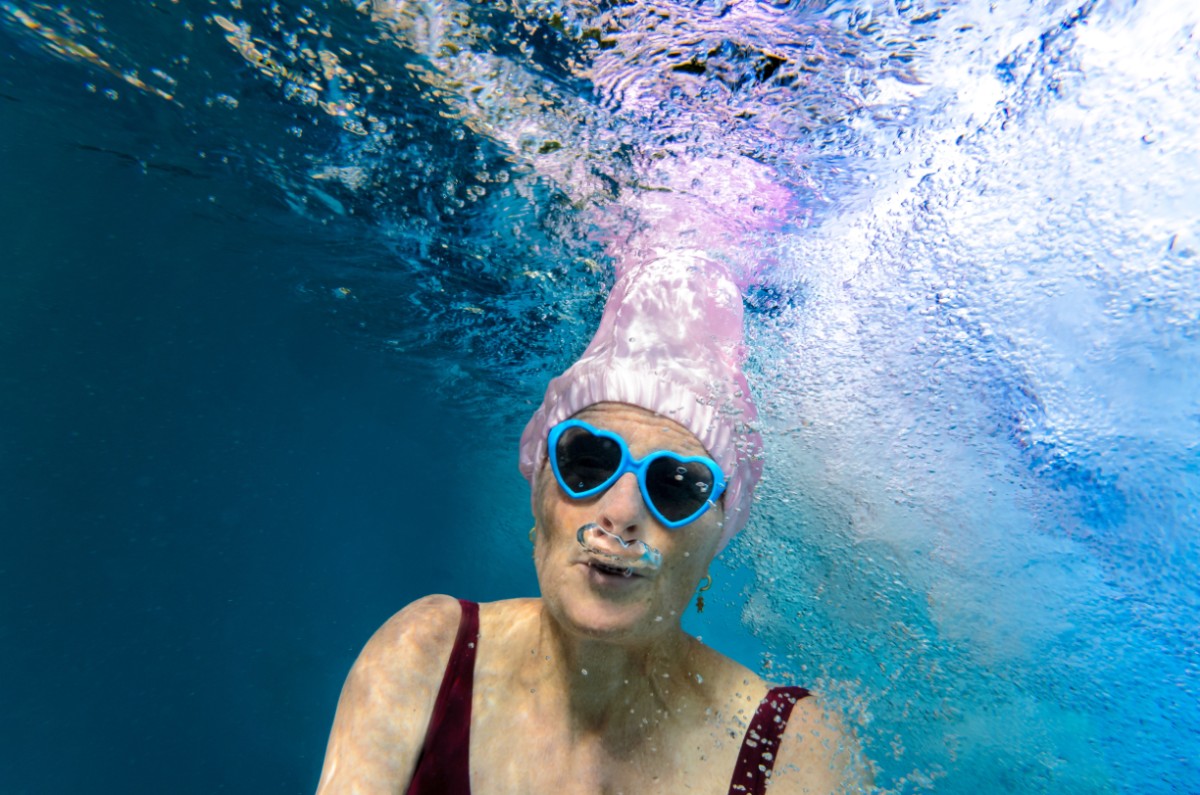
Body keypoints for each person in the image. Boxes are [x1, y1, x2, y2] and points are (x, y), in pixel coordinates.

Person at [315, 251, 866, 793]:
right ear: (538, 493)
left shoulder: (790, 749)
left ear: (715, 539)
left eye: (675, 486)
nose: (621, 513)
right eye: (589, 462)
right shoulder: (427, 653)